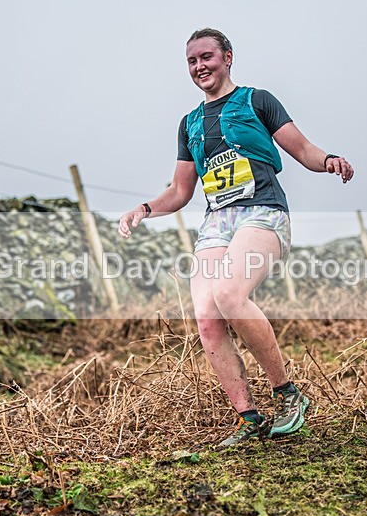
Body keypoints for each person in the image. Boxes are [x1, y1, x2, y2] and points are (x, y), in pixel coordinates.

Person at [118, 28, 354, 447]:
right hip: (217, 222)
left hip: (263, 212)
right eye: (191, 61)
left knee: (230, 294)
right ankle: (249, 419)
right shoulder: (189, 123)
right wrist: (145, 209)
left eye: (206, 57)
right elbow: (180, 190)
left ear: (227, 57)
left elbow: (302, 149)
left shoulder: (257, 100)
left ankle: (288, 395)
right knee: (207, 318)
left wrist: (330, 160)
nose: (199, 67)